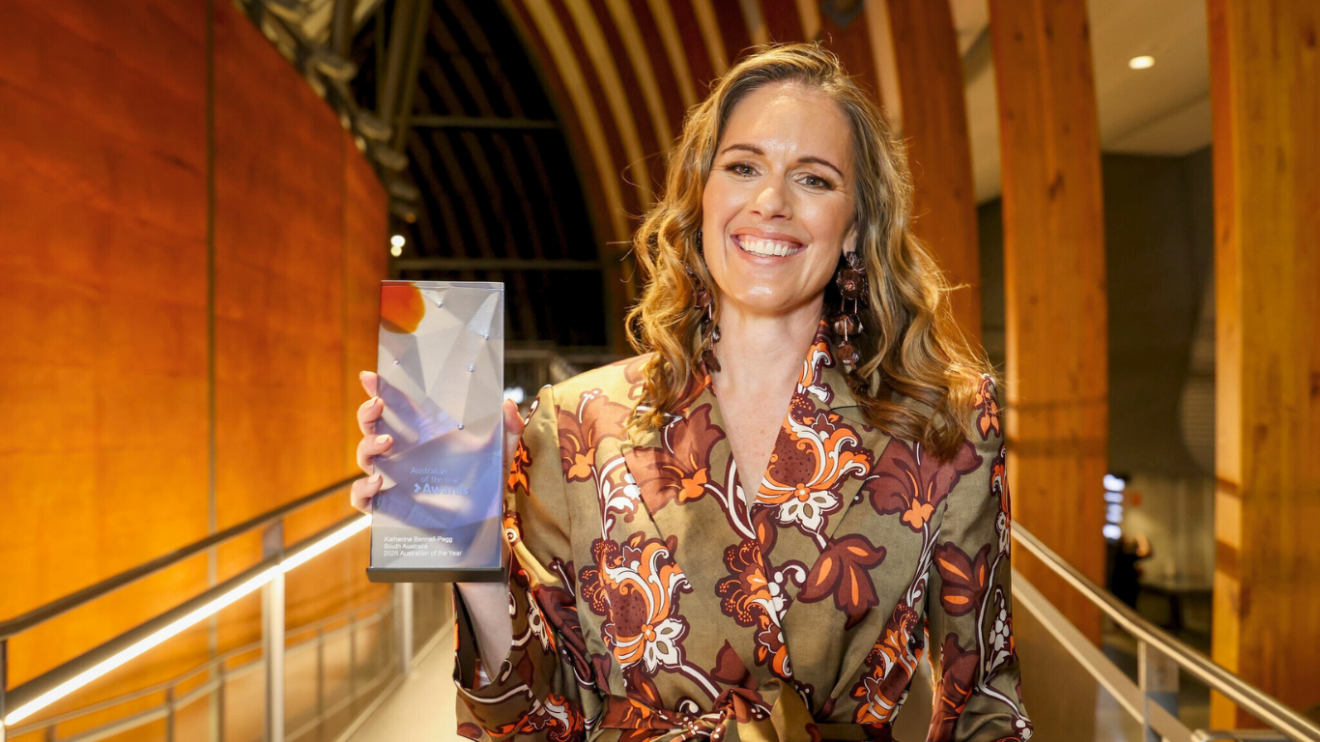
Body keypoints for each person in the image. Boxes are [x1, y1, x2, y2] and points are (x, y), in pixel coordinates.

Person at [352, 43, 1031, 742]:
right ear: (702, 196)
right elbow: (535, 716)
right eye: (743, 167)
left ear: (855, 224)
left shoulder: (943, 427)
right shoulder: (578, 424)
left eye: (815, 179)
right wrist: (474, 545)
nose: (770, 202)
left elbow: (985, 707)